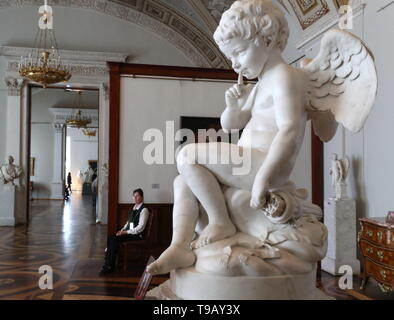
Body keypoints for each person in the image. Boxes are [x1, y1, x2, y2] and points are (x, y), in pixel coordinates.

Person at [146, 0, 307, 275]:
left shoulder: (285, 76)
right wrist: (233, 106)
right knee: (182, 180)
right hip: (248, 164)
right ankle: (180, 246)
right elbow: (231, 125)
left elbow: (289, 129)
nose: (235, 65)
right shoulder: (260, 85)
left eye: (239, 53)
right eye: (231, 58)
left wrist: (263, 178)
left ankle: (221, 221)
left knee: (186, 154)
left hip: (265, 166)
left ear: (266, 39)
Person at [100, 188, 150, 274]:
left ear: (142, 197)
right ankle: (109, 263)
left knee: (114, 239)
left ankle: (108, 266)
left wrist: (125, 232)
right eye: (134, 196)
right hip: (129, 233)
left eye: (137, 196)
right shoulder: (134, 208)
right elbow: (128, 223)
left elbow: (140, 228)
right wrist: (121, 230)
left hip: (137, 235)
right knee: (112, 237)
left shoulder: (144, 210)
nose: (135, 198)